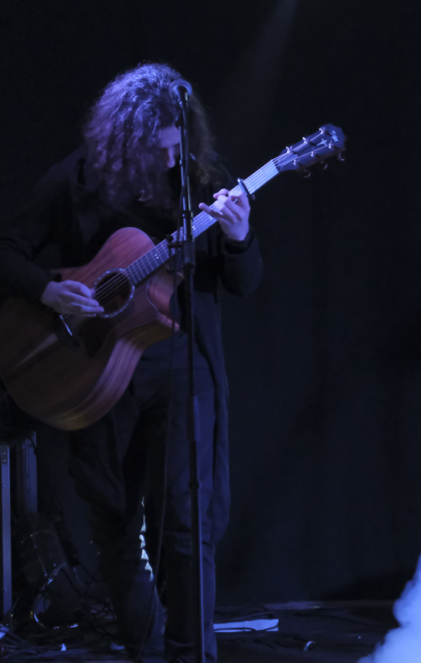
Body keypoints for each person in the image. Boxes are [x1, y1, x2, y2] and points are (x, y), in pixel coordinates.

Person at [0, 63, 263, 662]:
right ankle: (147, 652)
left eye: (178, 148)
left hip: (180, 366)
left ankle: (190, 655)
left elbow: (245, 282)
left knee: (186, 525)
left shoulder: (202, 180)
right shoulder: (76, 180)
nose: (170, 163)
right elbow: (7, 250)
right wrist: (47, 289)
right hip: (94, 369)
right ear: (124, 145)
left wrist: (242, 237)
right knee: (115, 523)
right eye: (156, 151)